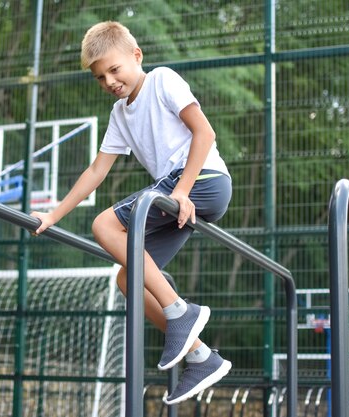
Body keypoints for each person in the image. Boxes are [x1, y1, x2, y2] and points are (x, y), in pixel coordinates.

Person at [31, 21, 232, 404]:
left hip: (202, 179)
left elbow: (205, 134)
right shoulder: (120, 115)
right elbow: (96, 171)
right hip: (178, 194)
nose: (109, 80)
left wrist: (184, 190)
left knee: (105, 225)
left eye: (114, 69)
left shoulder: (162, 80)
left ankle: (180, 311)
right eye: (100, 77)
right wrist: (53, 216)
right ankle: (202, 357)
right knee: (129, 281)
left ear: (136, 56)